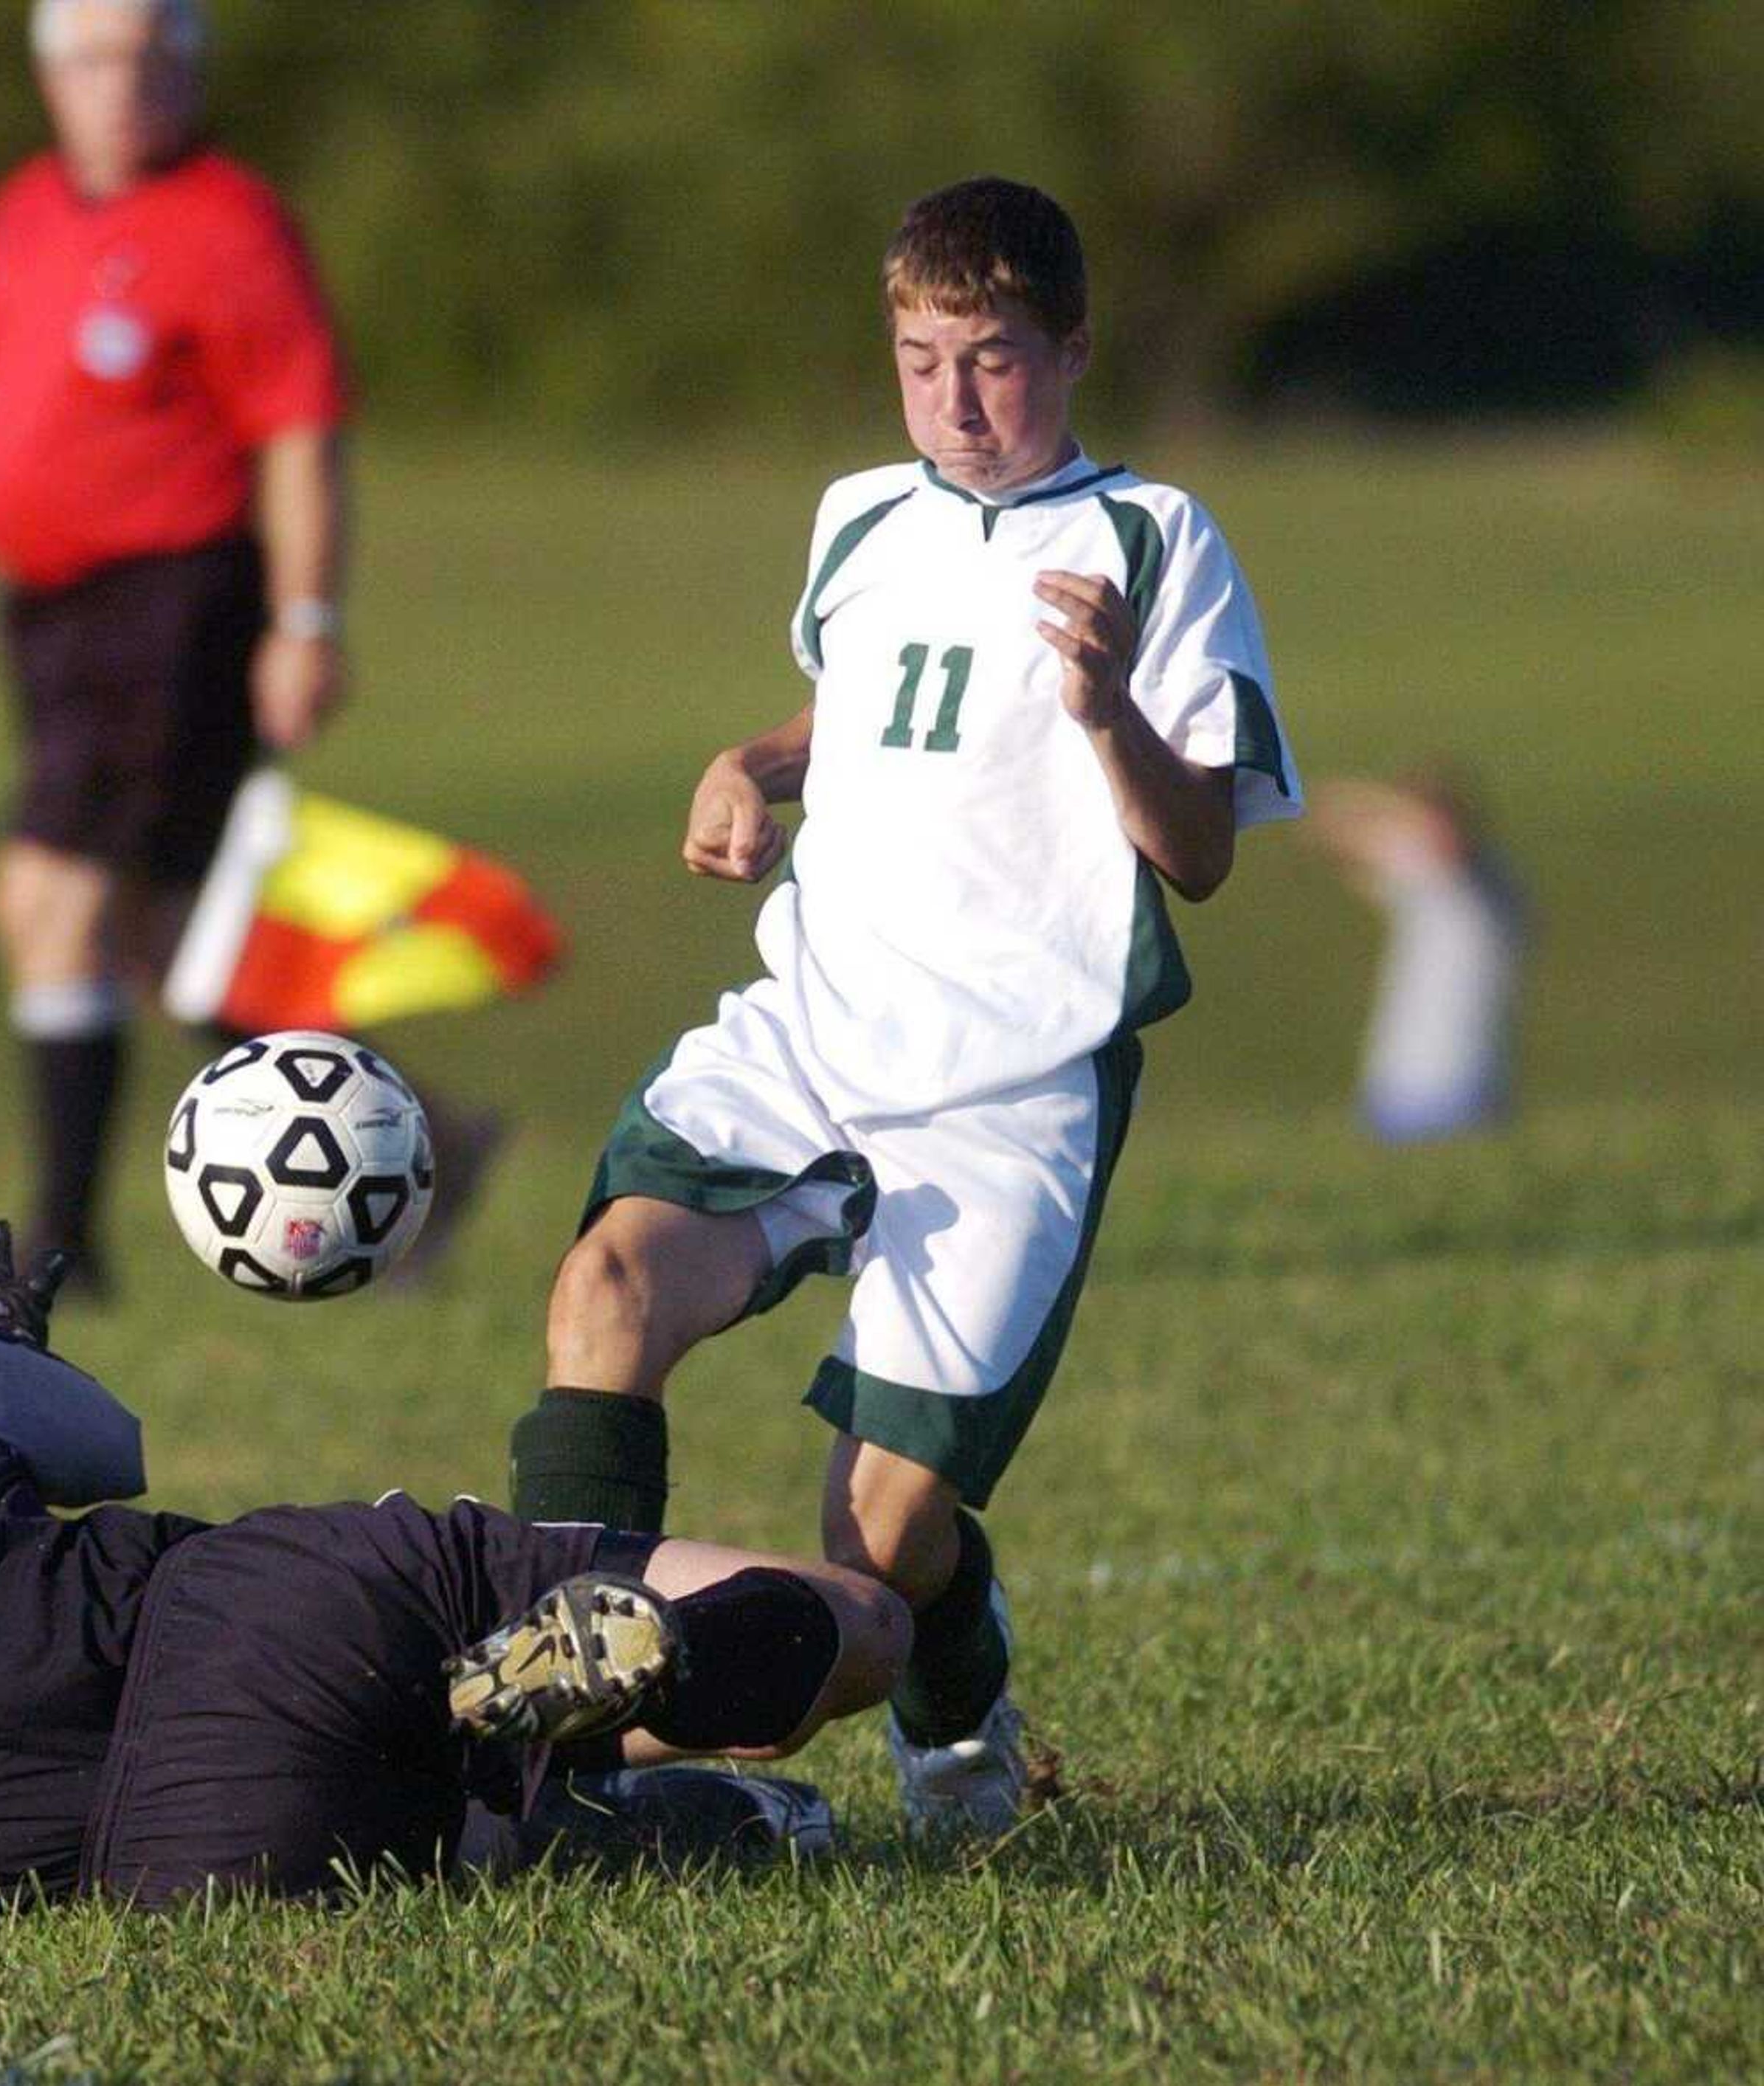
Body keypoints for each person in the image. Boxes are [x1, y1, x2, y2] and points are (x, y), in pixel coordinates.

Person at [503, 178, 1303, 1839]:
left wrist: (1103, 712)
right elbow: (873, 704)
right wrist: (757, 761)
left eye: (994, 358)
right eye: (921, 354)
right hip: (814, 1028)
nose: (952, 397)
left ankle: (954, 1723)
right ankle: (548, 1756)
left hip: (1009, 1088)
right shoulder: (862, 512)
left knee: (878, 1546)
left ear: (1073, 349)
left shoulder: (1156, 541)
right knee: (604, 1294)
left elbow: (1203, 851)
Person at [0, 1222, 910, 1906]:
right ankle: (551, 1696)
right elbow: (103, 1446)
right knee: (852, 1627)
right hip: (264, 1621)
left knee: (436, 1835)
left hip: (184, 1850)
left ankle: (535, 1783)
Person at [0, 0, 355, 1287]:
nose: (124, 86)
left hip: (171, 601)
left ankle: (61, 1244)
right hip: (47, 614)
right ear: (51, 75)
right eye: (97, 59)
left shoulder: (230, 223)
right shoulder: (28, 210)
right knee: (166, 938)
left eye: (153, 60)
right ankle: (416, 1145)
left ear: (190, 73)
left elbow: (301, 436)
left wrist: (305, 621)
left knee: (49, 893)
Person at [1305, 771, 1526, 1142]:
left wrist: (1408, 815)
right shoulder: (1423, 880)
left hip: (1469, 1085)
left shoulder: (1486, 887)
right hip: (1398, 1084)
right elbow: (1325, 817)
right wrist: (1405, 813)